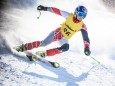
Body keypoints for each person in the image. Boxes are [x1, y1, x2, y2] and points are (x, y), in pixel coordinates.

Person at [16, 5, 91, 61]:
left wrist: (87, 48)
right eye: (80, 14)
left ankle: (43, 54)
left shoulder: (82, 26)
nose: (81, 17)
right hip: (58, 33)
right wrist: (45, 8)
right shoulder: (69, 16)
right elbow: (57, 11)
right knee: (44, 43)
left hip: (64, 39)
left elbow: (86, 38)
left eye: (84, 15)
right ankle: (24, 47)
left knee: (66, 47)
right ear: (76, 12)